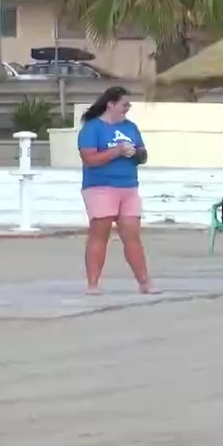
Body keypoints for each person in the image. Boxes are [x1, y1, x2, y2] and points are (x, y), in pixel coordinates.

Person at [77, 86, 155, 295]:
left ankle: (144, 282)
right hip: (101, 187)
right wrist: (116, 151)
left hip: (128, 186)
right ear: (111, 104)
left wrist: (135, 153)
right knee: (99, 235)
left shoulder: (131, 127)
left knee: (132, 235)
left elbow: (143, 155)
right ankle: (93, 284)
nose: (127, 108)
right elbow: (90, 159)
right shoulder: (92, 129)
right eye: (124, 104)